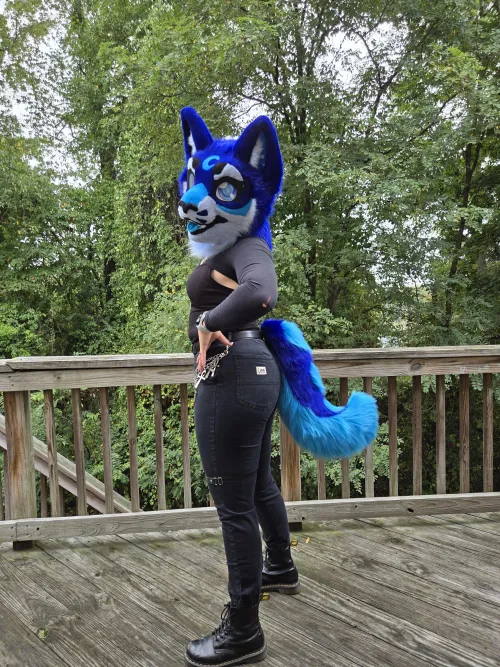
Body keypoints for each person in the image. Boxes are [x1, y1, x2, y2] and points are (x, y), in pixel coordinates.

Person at [178, 107, 300, 667]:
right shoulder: (229, 248)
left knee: (233, 505)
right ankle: (282, 566)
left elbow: (260, 292)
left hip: (232, 374)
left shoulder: (248, 247)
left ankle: (244, 629)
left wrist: (207, 322)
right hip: (251, 371)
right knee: (257, 484)